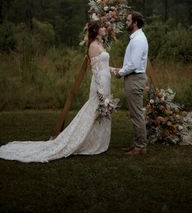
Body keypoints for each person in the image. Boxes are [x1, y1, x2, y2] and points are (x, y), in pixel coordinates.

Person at [0, 21, 116, 163]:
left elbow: (103, 65)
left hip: (106, 80)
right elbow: (96, 70)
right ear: (96, 31)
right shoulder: (92, 46)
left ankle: (97, 141)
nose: (105, 29)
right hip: (100, 84)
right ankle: (80, 141)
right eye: (102, 27)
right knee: (94, 111)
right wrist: (100, 90)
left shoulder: (101, 44)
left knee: (102, 111)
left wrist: (113, 70)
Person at [114, 11, 148, 155]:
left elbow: (133, 64)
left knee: (136, 114)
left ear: (135, 23)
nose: (126, 22)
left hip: (135, 79)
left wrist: (120, 73)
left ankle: (140, 147)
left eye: (128, 20)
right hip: (133, 78)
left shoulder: (138, 39)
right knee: (135, 114)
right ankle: (137, 144)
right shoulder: (136, 38)